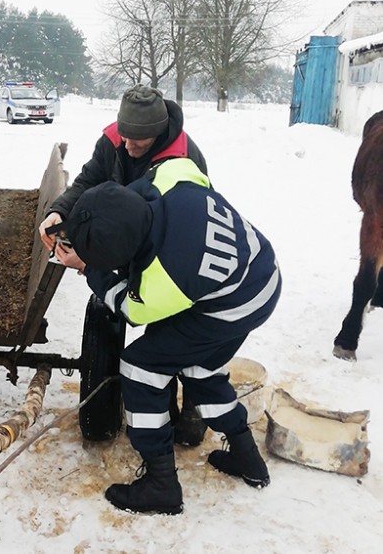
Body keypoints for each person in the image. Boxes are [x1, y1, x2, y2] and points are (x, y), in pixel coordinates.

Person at [48, 171, 281, 515]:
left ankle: (161, 484)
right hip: (261, 270)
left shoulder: (166, 278)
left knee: (141, 367)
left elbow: (130, 308)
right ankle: (248, 457)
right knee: (199, 366)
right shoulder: (173, 179)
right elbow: (136, 195)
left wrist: (88, 268)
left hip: (236, 303)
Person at [39, 83, 209, 446]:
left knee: (174, 329)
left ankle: (193, 407)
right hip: (126, 238)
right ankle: (131, 401)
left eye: (139, 142)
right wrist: (59, 211)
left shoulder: (185, 159)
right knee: (117, 307)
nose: (129, 146)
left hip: (170, 251)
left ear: (159, 132)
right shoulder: (115, 141)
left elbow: (193, 221)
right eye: (126, 137)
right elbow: (88, 181)